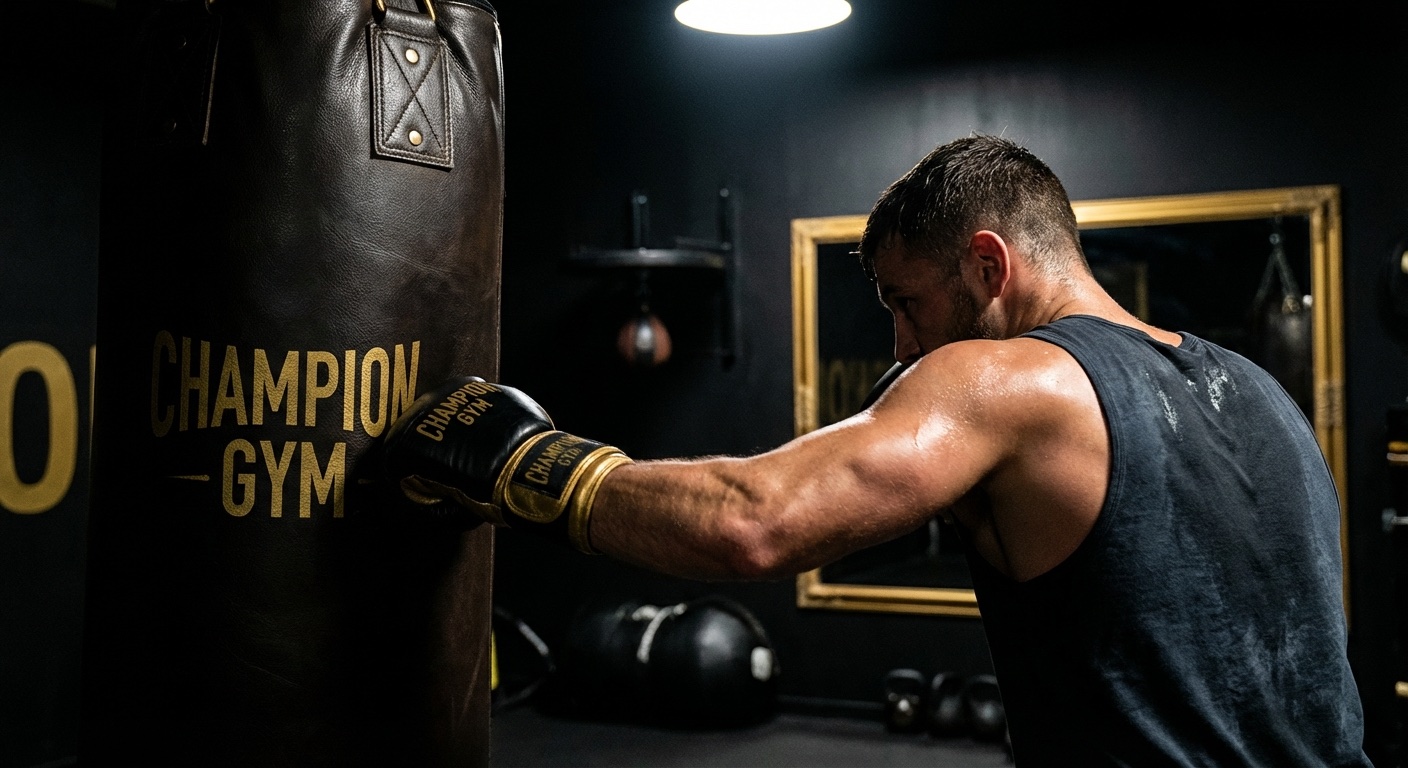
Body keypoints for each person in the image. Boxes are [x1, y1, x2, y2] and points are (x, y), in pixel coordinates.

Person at [381, 135, 1370, 766]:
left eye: (906, 301)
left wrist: (520, 463)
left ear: (989, 264)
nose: (900, 345)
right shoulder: (1267, 397)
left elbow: (753, 524)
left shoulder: (1011, 378)